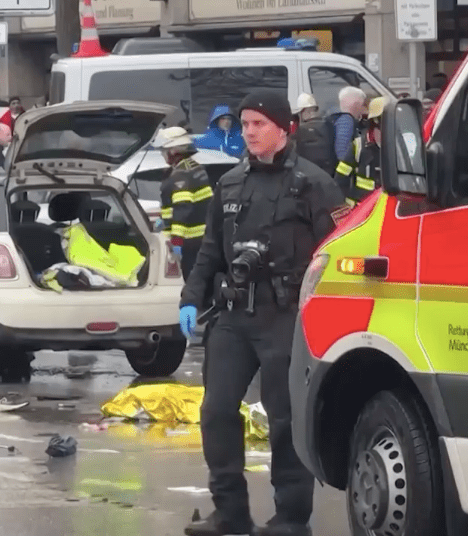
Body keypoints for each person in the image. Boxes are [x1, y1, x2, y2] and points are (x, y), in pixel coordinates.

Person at [180, 89, 349, 536]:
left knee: (284, 419)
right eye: (245, 124)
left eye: (258, 124)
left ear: (282, 127)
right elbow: (209, 252)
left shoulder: (313, 184)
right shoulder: (231, 184)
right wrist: (190, 299)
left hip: (285, 317)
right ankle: (229, 513)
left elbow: (336, 252)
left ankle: (291, 519)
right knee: (216, 411)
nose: (249, 132)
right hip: (234, 316)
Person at [153, 126, 212, 279]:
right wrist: (164, 218)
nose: (162, 154)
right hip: (202, 238)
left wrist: (177, 240)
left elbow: (182, 209)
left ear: (173, 150)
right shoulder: (194, 167)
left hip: (189, 242)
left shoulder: (181, 175)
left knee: (190, 282)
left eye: (163, 151)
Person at [334, 96, 386, 205]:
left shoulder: (398, 147)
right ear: (375, 122)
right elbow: (340, 179)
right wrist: (347, 207)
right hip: (361, 211)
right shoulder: (358, 146)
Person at [292, 93, 337, 177]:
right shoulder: (330, 126)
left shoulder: (301, 130)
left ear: (304, 111)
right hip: (329, 174)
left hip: (309, 175)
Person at [329, 86, 367, 162]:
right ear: (356, 105)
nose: (364, 109)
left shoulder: (338, 119)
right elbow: (343, 154)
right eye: (363, 105)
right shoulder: (346, 121)